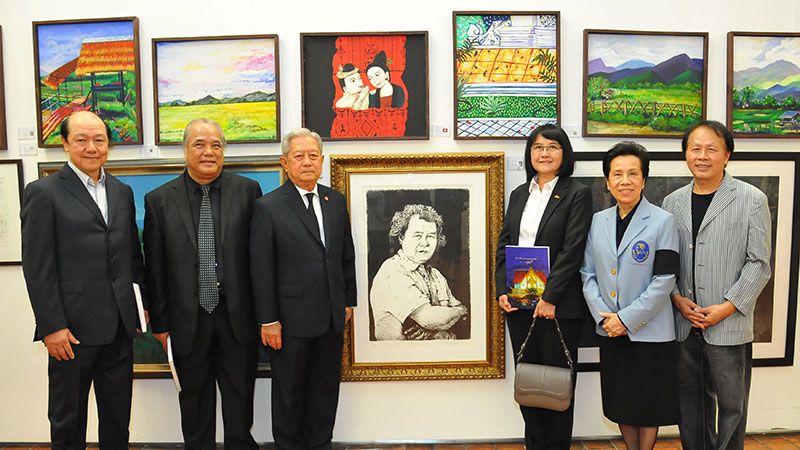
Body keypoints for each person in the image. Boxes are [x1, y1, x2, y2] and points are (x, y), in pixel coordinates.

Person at [21, 110, 147, 449]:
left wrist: (139, 307)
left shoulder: (121, 191)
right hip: (71, 331)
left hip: (119, 328)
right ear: (64, 144)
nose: (92, 147)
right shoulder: (43, 192)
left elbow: (131, 255)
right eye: (81, 139)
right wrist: (51, 327)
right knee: (68, 420)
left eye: (99, 140)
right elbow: (37, 266)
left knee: (118, 418)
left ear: (108, 144)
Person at [143, 118, 261, 449]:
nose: (208, 152)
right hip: (186, 320)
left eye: (216, 145)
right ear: (185, 150)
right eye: (199, 144)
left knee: (240, 401)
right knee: (194, 403)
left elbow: (259, 259)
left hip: (237, 317)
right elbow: (155, 267)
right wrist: (161, 322)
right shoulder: (159, 200)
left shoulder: (248, 191)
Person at [662, 120, 771, 450]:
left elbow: (760, 263)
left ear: (727, 155)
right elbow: (667, 262)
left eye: (711, 149)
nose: (702, 156)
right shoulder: (672, 202)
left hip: (728, 322)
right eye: (695, 148)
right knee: (690, 402)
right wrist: (678, 299)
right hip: (685, 320)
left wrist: (727, 307)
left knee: (731, 405)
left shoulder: (751, 199)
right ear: (686, 155)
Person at [250, 127, 357, 449]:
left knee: (325, 390)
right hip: (289, 321)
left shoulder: (335, 201)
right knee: (289, 392)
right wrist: (268, 320)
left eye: (313, 155)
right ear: (285, 162)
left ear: (322, 160)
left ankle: (321, 444)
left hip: (331, 318)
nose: (307, 161)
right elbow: (261, 267)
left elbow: (345, 256)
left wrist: (348, 301)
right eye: (299, 156)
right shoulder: (268, 206)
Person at [495, 124, 592, 450]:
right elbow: (505, 244)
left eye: (552, 147)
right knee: (530, 380)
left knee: (558, 384)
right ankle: (534, 443)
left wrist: (550, 298)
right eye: (538, 147)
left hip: (558, 307)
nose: (544, 153)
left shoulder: (577, 193)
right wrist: (501, 291)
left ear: (564, 154)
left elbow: (572, 249)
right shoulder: (519, 194)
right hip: (520, 303)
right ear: (529, 154)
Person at [581, 142, 680, 450]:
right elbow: (588, 275)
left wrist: (626, 319)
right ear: (607, 181)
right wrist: (606, 318)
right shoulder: (597, 221)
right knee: (621, 399)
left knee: (648, 404)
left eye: (633, 173)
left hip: (650, 332)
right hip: (610, 330)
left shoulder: (663, 221)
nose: (625, 181)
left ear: (644, 179)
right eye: (617, 174)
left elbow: (665, 279)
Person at [370, 204, 468, 341]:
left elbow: (461, 318)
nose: (425, 243)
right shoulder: (392, 271)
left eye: (431, 236)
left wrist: (446, 319)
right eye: (417, 235)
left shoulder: (435, 275)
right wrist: (458, 311)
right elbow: (430, 319)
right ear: (401, 237)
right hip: (400, 358)